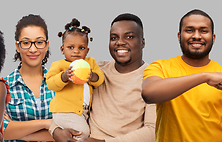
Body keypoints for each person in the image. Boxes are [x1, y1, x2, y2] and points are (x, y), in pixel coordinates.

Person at [141, 9, 222, 142]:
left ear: (213, 38)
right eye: (189, 30)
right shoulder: (160, 67)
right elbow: (149, 94)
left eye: (203, 31)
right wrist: (204, 77)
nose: (196, 36)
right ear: (179, 36)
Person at [53, 13, 156, 142]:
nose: (120, 42)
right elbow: (65, 104)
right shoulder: (94, 70)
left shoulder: (152, 79)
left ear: (142, 42)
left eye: (129, 37)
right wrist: (55, 131)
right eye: (114, 38)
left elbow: (153, 131)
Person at [45, 18, 105, 140]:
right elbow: (50, 83)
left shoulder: (90, 63)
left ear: (87, 50)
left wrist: (93, 76)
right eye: (70, 47)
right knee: (83, 133)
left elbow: (100, 79)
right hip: (65, 111)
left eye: (81, 48)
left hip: (83, 112)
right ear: (62, 49)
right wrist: (64, 77)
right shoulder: (59, 65)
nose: (76, 51)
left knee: (85, 132)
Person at [3, 14, 56, 141]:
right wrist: (46, 123)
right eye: (26, 43)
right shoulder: (4, 86)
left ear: (47, 45)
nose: (33, 49)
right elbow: (0, 131)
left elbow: (69, 130)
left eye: (39, 42)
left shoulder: (59, 83)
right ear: (17, 46)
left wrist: (17, 130)